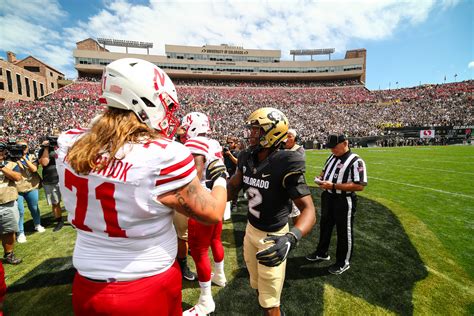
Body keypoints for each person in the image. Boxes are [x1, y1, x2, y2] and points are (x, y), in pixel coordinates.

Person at [56, 58, 227, 316]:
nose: (169, 113)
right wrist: (221, 176)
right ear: (146, 101)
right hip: (144, 285)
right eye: (166, 104)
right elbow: (212, 211)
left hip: (86, 284)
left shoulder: (68, 142)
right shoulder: (163, 154)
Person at [227, 107, 316, 316]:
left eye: (257, 130)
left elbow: (309, 210)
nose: (251, 134)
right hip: (251, 230)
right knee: (257, 286)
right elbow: (233, 186)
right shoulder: (247, 156)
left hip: (273, 236)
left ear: (271, 133)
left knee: (270, 302)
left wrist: (291, 238)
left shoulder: (285, 161)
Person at [181, 112, 227, 316]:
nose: (183, 132)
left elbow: (197, 173)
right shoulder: (214, 143)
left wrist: (184, 197)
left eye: (185, 127)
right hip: (217, 197)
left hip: (203, 200)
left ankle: (206, 299)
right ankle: (220, 276)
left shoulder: (196, 143)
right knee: (215, 240)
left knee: (199, 250)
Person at [306, 134, 367, 275]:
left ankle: (343, 262)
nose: (332, 150)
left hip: (344, 200)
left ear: (345, 143)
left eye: (335, 147)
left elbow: (359, 186)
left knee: (344, 231)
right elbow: (324, 172)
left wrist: (333, 185)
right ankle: (321, 252)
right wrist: (320, 179)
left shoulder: (356, 161)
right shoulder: (331, 157)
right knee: (325, 226)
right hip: (328, 197)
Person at [173, 126, 197, 281]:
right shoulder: (180, 150)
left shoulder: (175, 148)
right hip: (180, 195)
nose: (182, 138)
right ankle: (182, 267)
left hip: (176, 194)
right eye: (181, 136)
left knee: (182, 236)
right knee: (183, 237)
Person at [15, 140, 44, 243]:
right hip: (17, 189)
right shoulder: (11, 158)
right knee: (20, 211)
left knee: (34, 207)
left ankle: (37, 224)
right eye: (19, 147)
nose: (23, 149)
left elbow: (34, 169)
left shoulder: (31, 157)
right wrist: (16, 158)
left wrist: (23, 158)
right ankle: (21, 232)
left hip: (31, 186)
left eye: (24, 146)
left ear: (27, 147)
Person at [0, 142, 22, 264]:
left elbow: (17, 177)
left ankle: (9, 254)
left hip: (7, 203)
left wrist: (1, 167)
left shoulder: (12, 164)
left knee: (8, 231)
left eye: (0, 150)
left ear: (4, 152)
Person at [38, 133, 64, 232]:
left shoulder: (62, 148)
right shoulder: (43, 150)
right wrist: (46, 148)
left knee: (69, 201)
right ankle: (59, 221)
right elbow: (44, 163)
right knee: (55, 202)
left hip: (63, 178)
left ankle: (73, 220)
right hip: (50, 180)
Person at [284, 129, 305, 222]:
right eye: (286, 137)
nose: (286, 139)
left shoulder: (299, 149)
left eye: (289, 136)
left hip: (293, 183)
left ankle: (296, 233)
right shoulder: (284, 148)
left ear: (295, 139)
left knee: (294, 211)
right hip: (283, 183)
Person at [223, 136, 239, 211]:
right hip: (226, 172)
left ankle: (234, 205)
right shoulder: (225, 152)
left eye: (231, 142)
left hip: (234, 172)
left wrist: (230, 155)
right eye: (228, 142)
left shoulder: (237, 152)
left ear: (235, 143)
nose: (229, 144)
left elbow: (237, 162)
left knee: (234, 189)